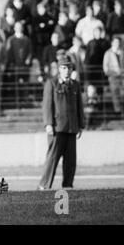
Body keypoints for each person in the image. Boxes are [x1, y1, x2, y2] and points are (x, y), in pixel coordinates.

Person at [38, 55, 84, 190]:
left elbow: (79, 106)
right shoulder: (51, 83)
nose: (67, 70)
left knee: (71, 160)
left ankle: (68, 185)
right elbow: (47, 105)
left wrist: (80, 125)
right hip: (57, 128)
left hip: (71, 127)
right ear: (59, 69)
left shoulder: (75, 85)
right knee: (52, 159)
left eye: (69, 67)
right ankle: (44, 185)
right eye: (64, 67)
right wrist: (48, 124)